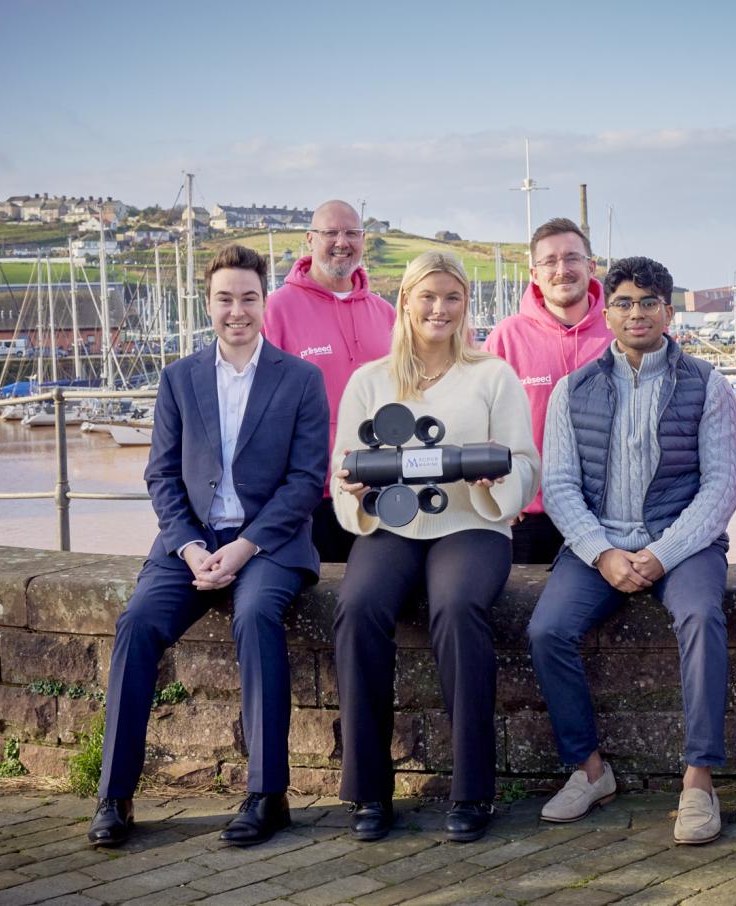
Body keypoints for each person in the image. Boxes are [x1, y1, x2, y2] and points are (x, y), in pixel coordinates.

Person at [87, 245, 330, 847]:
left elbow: (306, 482)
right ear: (209, 303)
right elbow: (161, 476)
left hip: (269, 545)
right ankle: (113, 797)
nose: (237, 311)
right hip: (189, 544)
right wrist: (191, 547)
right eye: (225, 298)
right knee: (138, 621)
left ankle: (267, 795)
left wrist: (245, 547)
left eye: (249, 297)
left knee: (254, 615)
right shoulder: (178, 378)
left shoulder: (301, 379)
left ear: (264, 300)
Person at [527, 256, 736, 845]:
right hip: (598, 544)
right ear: (606, 310)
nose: (636, 312)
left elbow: (722, 487)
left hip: (683, 543)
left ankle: (699, 781)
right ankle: (589, 770)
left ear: (668, 312)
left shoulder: (708, 384)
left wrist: (662, 555)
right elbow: (560, 485)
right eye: (622, 301)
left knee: (701, 616)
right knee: (547, 631)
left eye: (649, 302)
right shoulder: (574, 389)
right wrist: (601, 553)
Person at [332, 251, 539, 843]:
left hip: (472, 526)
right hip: (393, 526)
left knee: (455, 607)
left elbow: (525, 461)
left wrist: (499, 481)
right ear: (405, 302)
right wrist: (352, 489)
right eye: (428, 296)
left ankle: (472, 789)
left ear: (465, 304)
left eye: (452, 297)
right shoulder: (369, 381)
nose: (439, 309)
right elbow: (341, 469)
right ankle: (369, 790)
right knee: (358, 607)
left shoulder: (493, 376)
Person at [263, 199, 395, 563]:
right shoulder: (276, 309)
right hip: (312, 496)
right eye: (330, 232)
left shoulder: (385, 313)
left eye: (352, 232)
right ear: (309, 239)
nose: (342, 241)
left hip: (381, 487)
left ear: (363, 240)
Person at [485, 217, 612, 564]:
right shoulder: (506, 338)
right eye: (549, 261)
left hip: (611, 518)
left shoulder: (621, 332)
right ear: (533, 273)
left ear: (591, 266)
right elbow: (479, 424)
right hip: (530, 517)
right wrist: (499, 494)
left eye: (572, 258)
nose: (562, 269)